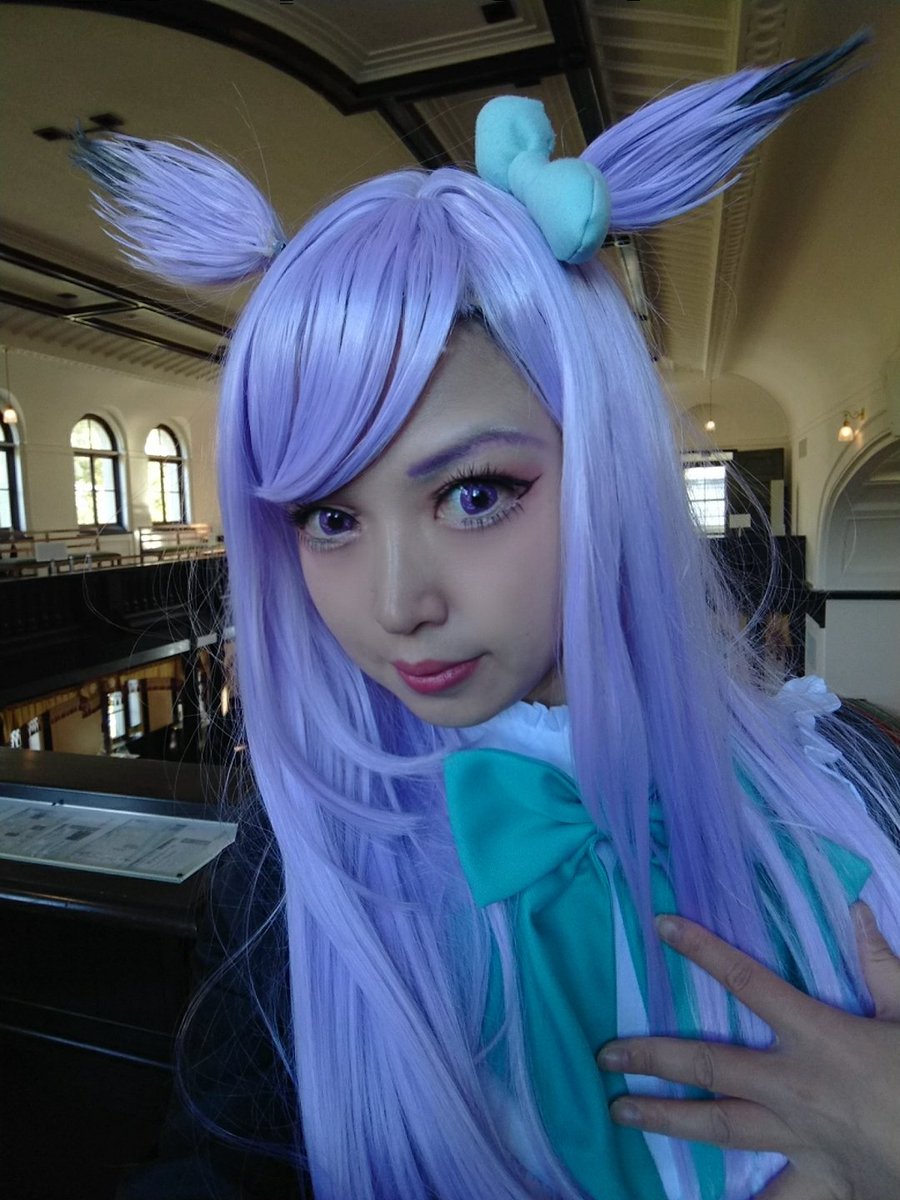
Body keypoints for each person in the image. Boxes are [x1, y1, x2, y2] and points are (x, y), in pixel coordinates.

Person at [77, 32, 900, 1200]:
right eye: (328, 517)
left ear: (607, 467)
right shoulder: (297, 870)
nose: (397, 605)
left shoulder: (854, 780)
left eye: (475, 495)